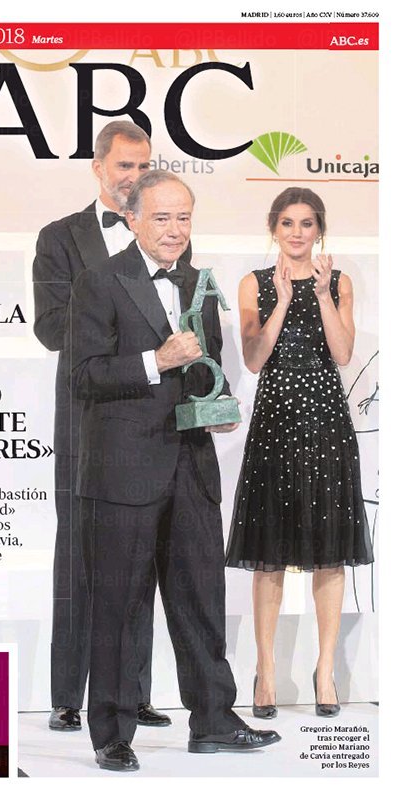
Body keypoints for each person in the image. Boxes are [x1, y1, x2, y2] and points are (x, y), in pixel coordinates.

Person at [69, 170, 280, 771]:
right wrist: (155, 360)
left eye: (183, 217)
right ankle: (112, 734)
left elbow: (207, 370)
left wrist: (219, 407)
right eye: (161, 217)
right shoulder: (98, 281)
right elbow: (82, 377)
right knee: (118, 608)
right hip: (122, 476)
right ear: (132, 219)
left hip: (191, 468)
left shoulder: (200, 284)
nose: (175, 229)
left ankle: (213, 720)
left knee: (202, 601)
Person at [33, 121, 173, 731]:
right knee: (78, 553)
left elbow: (169, 322)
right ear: (98, 167)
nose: (134, 178)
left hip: (145, 418)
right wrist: (114, 328)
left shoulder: (164, 234)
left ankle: (132, 693)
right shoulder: (60, 237)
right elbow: (49, 328)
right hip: (85, 415)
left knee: (139, 555)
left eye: (144, 167)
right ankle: (68, 695)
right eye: (124, 166)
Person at [225, 187, 374, 719]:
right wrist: (284, 299)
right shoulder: (254, 283)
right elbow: (253, 359)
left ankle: (325, 670)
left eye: (306, 223)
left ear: (319, 230)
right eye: (287, 223)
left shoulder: (339, 281)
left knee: (330, 553)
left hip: (328, 426)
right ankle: (265, 672)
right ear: (274, 228)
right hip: (275, 425)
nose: (296, 232)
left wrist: (324, 294)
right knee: (268, 554)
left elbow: (343, 352)